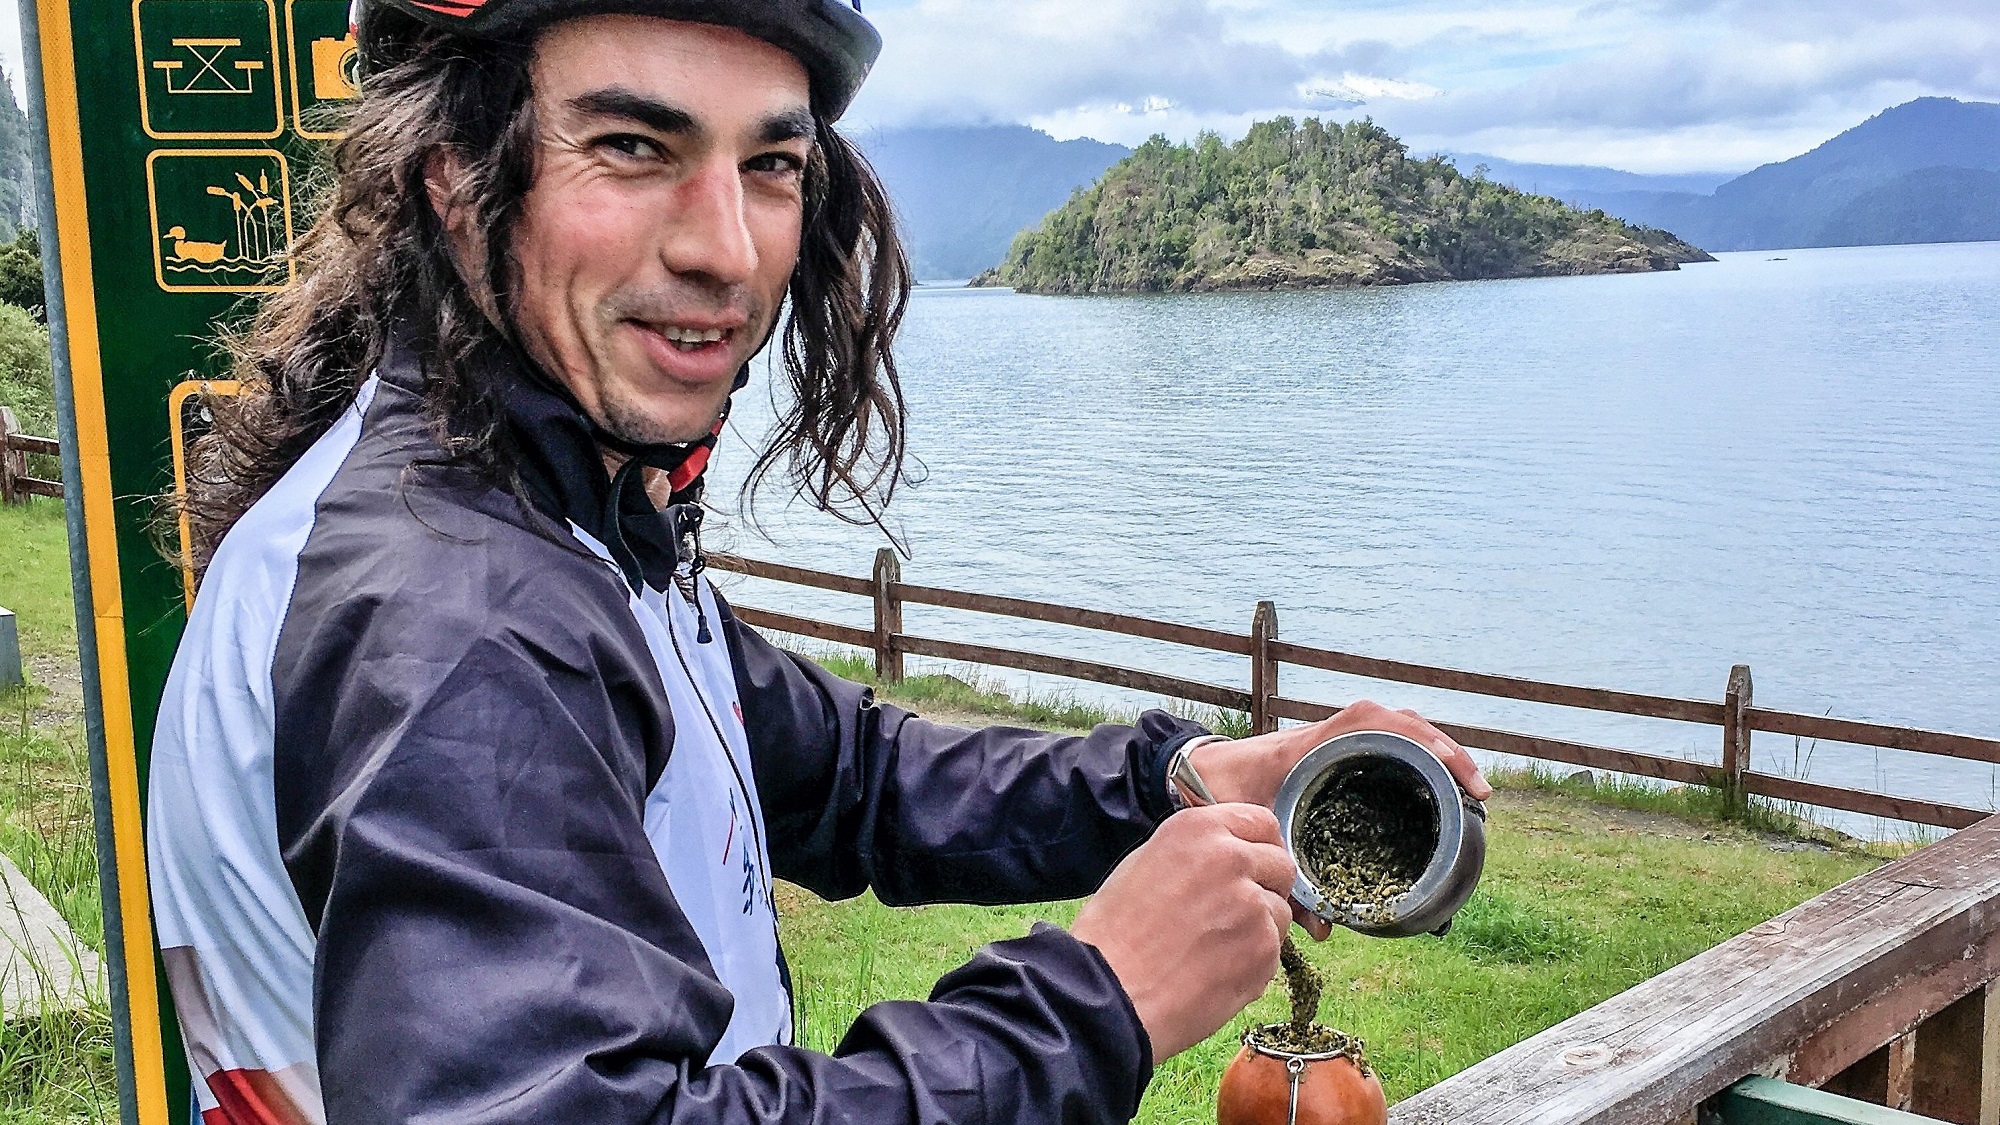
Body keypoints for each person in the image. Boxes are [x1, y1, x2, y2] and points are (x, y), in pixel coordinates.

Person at [145, 2, 1491, 1123]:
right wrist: (1105, 994)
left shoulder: (535, 501)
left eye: (770, 165)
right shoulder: (455, 619)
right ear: (453, 174)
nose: (725, 248)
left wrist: (1170, 779)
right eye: (632, 144)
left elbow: (843, 773)